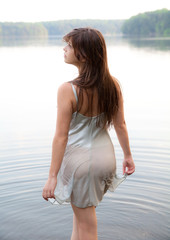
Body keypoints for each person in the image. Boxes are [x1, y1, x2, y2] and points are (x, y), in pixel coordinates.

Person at [42, 27, 135, 240]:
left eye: (69, 46)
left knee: (86, 225)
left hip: (82, 162)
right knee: (80, 218)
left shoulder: (68, 89)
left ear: (83, 54)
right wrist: (128, 156)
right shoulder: (113, 85)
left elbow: (61, 137)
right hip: (105, 158)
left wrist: (52, 176)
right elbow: (120, 124)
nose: (64, 49)